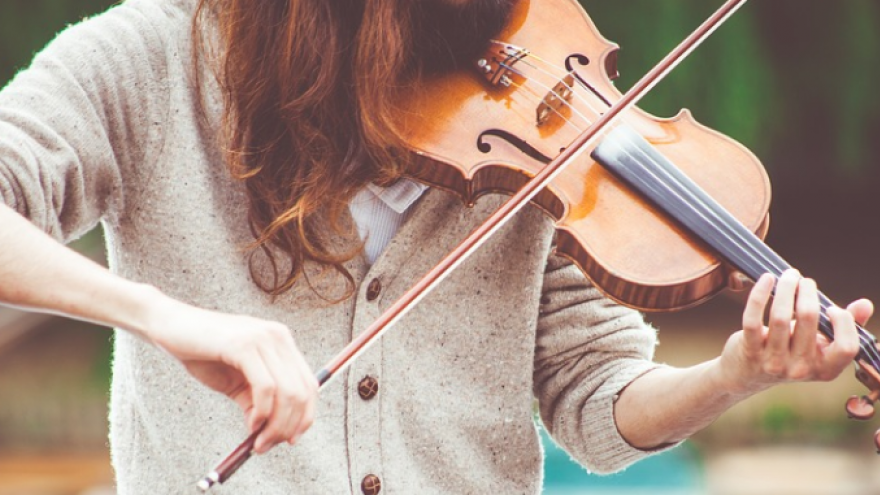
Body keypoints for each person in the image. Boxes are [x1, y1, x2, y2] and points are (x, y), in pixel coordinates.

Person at [0, 0, 871, 493]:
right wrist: (161, 316)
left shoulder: (539, 118)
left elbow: (597, 402)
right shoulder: (145, 63)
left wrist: (736, 374)